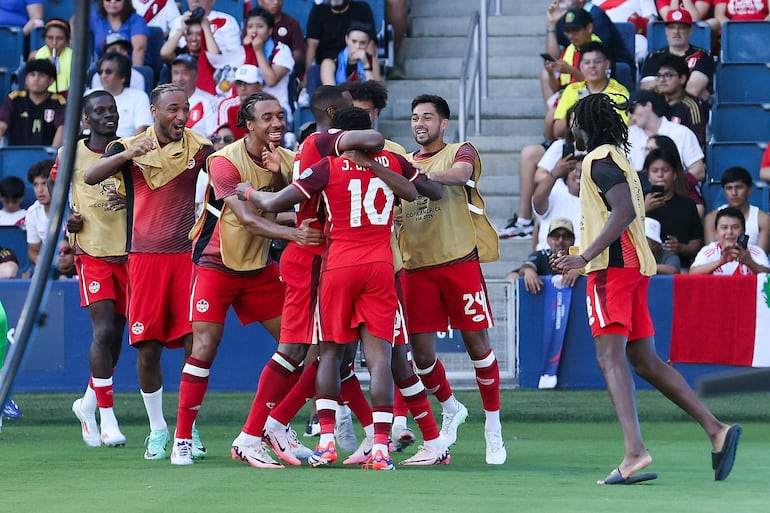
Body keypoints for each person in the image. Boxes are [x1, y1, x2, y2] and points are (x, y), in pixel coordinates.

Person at [554, 92, 741, 484]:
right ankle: (716, 430)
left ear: (584, 123)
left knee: (610, 357)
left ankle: (635, 451)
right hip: (634, 266)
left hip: (611, 268)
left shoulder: (598, 160)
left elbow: (621, 212)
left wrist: (584, 256)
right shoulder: (617, 157)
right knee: (644, 361)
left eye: (574, 121)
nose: (571, 128)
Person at [237, 106, 422, 471]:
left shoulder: (328, 165)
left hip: (339, 263)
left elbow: (275, 202)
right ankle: (381, 447)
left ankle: (324, 444)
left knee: (331, 353)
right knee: (379, 358)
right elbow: (415, 193)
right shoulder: (392, 162)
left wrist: (248, 193)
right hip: (381, 264)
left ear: (340, 134)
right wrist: (374, 167)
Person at [172, 91, 323, 466]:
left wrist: (283, 177)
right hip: (215, 264)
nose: (276, 123)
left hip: (258, 270)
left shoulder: (288, 160)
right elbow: (250, 218)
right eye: (267, 117)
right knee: (203, 349)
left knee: (301, 346)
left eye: (280, 116)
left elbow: (307, 199)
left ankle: (274, 425)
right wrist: (295, 235)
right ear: (249, 124)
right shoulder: (223, 161)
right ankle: (182, 438)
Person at [84, 83, 213, 461]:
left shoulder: (199, 147)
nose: (180, 117)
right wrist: (129, 151)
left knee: (195, 344)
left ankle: (189, 429)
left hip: (185, 259)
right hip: (144, 259)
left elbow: (224, 174)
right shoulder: (129, 148)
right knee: (148, 348)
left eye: (185, 109)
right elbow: (92, 176)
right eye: (173, 109)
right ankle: (158, 429)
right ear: (154, 112)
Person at [399, 94, 506, 465]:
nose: (419, 124)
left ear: (443, 123)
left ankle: (493, 427)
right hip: (416, 269)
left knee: (479, 347)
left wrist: (418, 176)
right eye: (414, 118)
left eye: (427, 117)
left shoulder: (462, 151)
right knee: (422, 356)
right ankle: (450, 407)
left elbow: (459, 177)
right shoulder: (405, 163)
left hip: (459, 261)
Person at [52, 91, 129, 448]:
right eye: (99, 111)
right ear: (86, 120)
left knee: (116, 338)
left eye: (111, 109)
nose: (107, 116)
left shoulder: (129, 150)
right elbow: (55, 192)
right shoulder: (71, 153)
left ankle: (86, 404)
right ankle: (107, 419)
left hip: (130, 253)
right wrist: (67, 216)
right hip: (92, 251)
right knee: (102, 333)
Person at [168, 0, 245, 98]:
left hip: (219, 69)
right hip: (187, 63)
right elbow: (167, 53)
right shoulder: (179, 21)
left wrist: (206, 26)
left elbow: (233, 56)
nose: (195, 0)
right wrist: (182, 29)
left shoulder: (226, 20)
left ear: (212, 1)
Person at [627, 89, 705, 181]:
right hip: (640, 192)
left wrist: (669, 182)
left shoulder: (681, 132)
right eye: (627, 112)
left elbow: (699, 171)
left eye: (632, 109)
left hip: (677, 192)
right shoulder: (628, 136)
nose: (629, 115)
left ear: (648, 106)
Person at [643, 147, 703, 267]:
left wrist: (681, 247)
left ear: (674, 174)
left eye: (665, 170)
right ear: (648, 175)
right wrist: (643, 210)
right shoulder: (637, 201)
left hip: (679, 268)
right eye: (655, 171)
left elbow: (696, 243)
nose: (660, 175)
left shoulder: (687, 205)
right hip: (642, 266)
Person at [640, 8, 715, 100]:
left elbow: (693, 89)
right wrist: (680, 84)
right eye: (672, 27)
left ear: (690, 31)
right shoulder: (654, 56)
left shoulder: (702, 55)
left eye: (682, 27)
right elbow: (647, 88)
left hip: (689, 109)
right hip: (658, 110)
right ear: (666, 31)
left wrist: (663, 85)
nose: (676, 32)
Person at [304, 0, 377, 94]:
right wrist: (306, 77)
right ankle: (330, 104)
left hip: (357, 60)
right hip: (327, 64)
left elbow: (370, 43)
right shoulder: (318, 11)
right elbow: (312, 45)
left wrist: (369, 65)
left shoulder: (362, 9)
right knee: (314, 72)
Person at [242, 8, 295, 126]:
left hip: (277, 106)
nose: (254, 31)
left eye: (260, 26)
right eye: (250, 27)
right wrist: (247, 50)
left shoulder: (282, 50)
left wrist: (258, 51)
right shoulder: (243, 50)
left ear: (270, 30)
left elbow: (271, 80)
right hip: (250, 106)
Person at [703, 166, 770, 254]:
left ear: (749, 190)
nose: (734, 193)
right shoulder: (711, 218)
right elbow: (711, 254)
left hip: (751, 266)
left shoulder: (763, 219)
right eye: (729, 188)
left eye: (739, 187)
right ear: (724, 191)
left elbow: (761, 257)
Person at [0, 59, 66, 147]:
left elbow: (62, 129)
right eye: (32, 75)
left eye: (42, 75)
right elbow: (2, 125)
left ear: (51, 81)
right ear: (26, 79)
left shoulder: (58, 102)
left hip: (47, 157)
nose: (36, 79)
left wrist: (52, 156)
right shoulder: (14, 98)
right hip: (16, 156)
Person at [506, 218, 581, 293]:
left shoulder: (579, 257)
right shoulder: (541, 255)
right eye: (556, 236)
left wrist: (581, 270)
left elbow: (590, 264)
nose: (560, 240)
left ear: (573, 240)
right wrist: (528, 271)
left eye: (566, 236)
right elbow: (521, 269)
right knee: (513, 277)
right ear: (548, 240)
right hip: (544, 302)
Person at [691, 207, 770, 275]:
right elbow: (692, 273)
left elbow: (768, 276)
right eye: (724, 227)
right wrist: (720, 262)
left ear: (744, 231)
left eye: (735, 227)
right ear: (716, 232)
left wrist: (750, 262)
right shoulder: (708, 251)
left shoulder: (756, 252)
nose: (729, 232)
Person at [653, 54, 708, 149]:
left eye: (668, 75)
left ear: (682, 79)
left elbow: (697, 144)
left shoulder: (692, 106)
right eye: (659, 76)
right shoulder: (651, 102)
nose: (662, 80)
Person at [92, 52, 153, 138]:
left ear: (122, 77)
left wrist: (125, 149)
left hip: (126, 146)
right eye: (100, 72)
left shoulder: (139, 97)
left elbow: (143, 129)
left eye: (108, 72)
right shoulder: (90, 95)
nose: (103, 75)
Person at [532, 152, 582, 253]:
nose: (580, 174)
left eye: (585, 171)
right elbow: (537, 203)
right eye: (575, 170)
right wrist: (554, 174)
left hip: (584, 260)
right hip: (548, 257)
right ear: (566, 176)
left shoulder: (600, 198)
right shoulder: (556, 190)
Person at [170, 54, 218, 137]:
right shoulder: (165, 101)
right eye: (176, 73)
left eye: (185, 73)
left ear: (195, 76)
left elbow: (213, 137)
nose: (179, 78)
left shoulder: (208, 101)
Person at [90, 0, 149, 67]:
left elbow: (139, 49)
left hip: (130, 69)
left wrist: (134, 75)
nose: (113, 1)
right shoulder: (95, 18)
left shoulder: (137, 20)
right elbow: (76, 23)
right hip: (105, 69)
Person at [216, 65, 262, 141]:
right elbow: (224, 137)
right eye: (239, 83)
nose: (243, 88)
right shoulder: (227, 105)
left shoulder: (271, 103)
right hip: (234, 150)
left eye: (247, 83)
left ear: (259, 85)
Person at [257, 0, 306, 72]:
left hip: (284, 69)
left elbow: (298, 55)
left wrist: (281, 63)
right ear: (260, 1)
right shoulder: (253, 23)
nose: (276, 2)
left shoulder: (292, 23)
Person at [29, 18, 72, 97]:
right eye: (50, 38)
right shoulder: (36, 56)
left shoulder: (74, 58)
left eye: (59, 38)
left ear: (67, 40)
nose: (54, 42)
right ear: (44, 39)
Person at [24, 159, 53, 266]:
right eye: (36, 185)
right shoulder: (32, 212)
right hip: (49, 266)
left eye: (44, 183)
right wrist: (40, 261)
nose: (39, 190)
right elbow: (33, 251)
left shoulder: (72, 207)